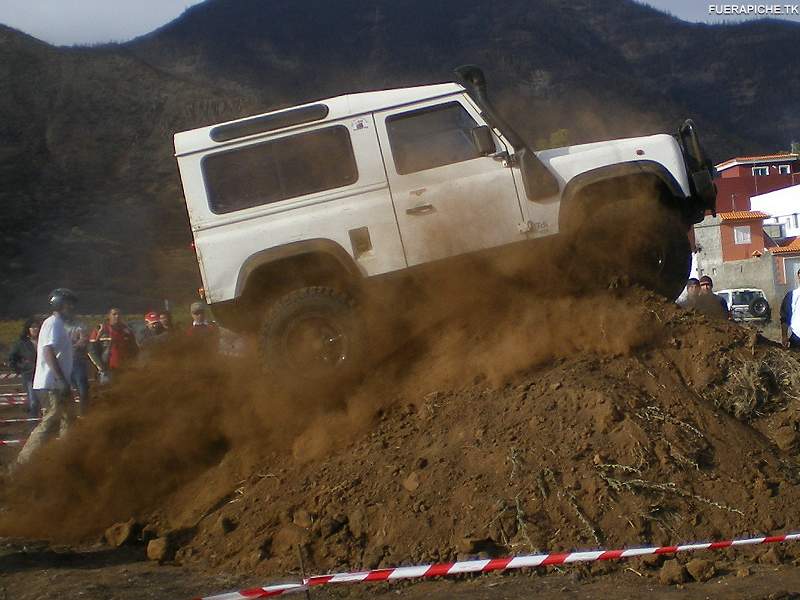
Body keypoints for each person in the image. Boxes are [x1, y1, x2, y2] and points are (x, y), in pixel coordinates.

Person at [16, 289, 78, 464]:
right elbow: (47, 351)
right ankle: (22, 462)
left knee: (69, 420)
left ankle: (66, 459)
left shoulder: (57, 324)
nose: (72, 307)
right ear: (59, 304)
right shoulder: (53, 324)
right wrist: (60, 379)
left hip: (56, 382)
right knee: (51, 421)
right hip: (52, 383)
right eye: (69, 304)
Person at [88, 307, 139, 384]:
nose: (117, 316)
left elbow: (135, 349)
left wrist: (133, 363)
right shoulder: (100, 329)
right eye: (114, 314)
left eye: (119, 314)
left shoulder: (127, 330)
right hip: (107, 370)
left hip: (125, 368)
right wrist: (101, 367)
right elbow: (91, 350)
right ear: (109, 316)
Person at [7, 317, 41, 418]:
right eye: (32, 327)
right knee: (33, 402)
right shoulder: (21, 343)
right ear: (28, 329)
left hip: (45, 375)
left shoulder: (44, 340)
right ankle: (33, 424)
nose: (35, 329)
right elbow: (12, 359)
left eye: (37, 327)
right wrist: (21, 368)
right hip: (30, 376)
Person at [64, 314, 90, 415]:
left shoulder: (80, 325)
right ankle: (69, 414)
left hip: (77, 361)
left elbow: (84, 340)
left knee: (83, 389)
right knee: (65, 390)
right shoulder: (58, 326)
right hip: (63, 362)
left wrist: (69, 346)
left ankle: (84, 413)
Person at [780, 267, 800, 350]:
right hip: (797, 339)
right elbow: (784, 317)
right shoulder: (792, 295)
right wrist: (784, 336)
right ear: (798, 277)